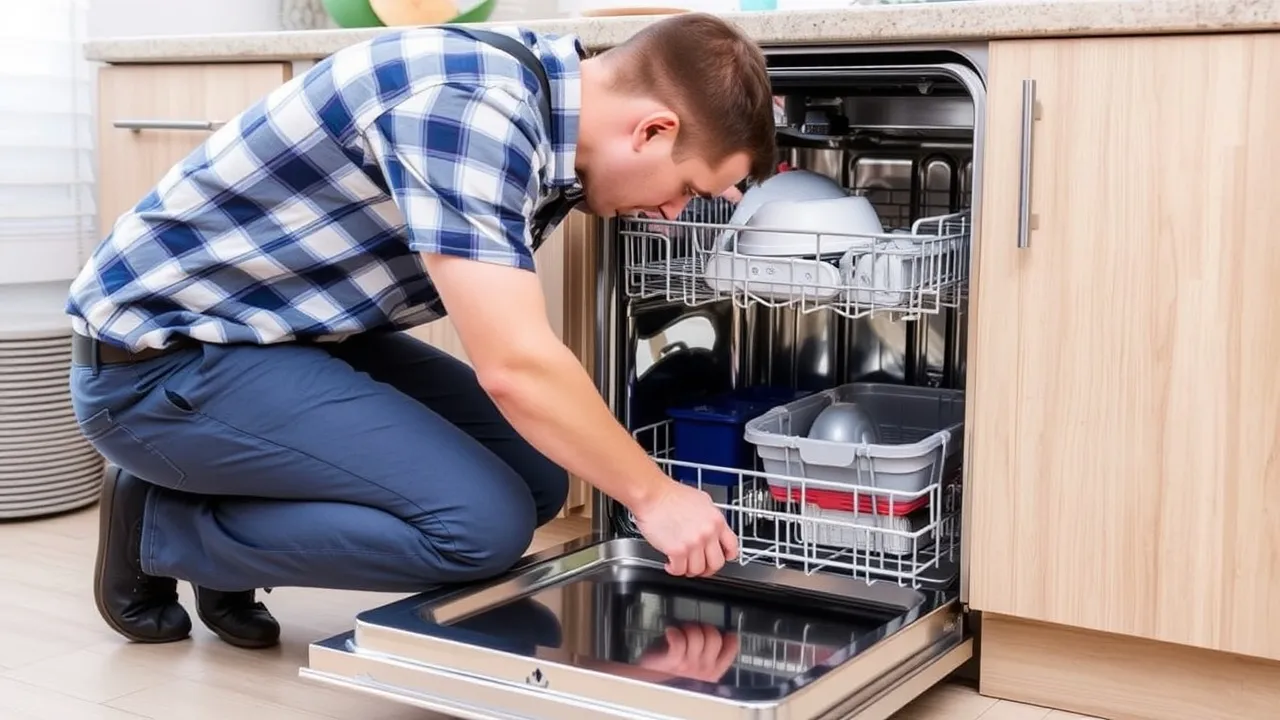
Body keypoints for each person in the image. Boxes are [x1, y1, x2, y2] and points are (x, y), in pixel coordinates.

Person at [66, 13, 777, 650]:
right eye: (688, 188)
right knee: (479, 530)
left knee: (536, 480)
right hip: (159, 367)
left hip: (277, 337)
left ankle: (233, 530)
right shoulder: (473, 111)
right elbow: (517, 365)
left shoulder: (542, 103)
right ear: (652, 130)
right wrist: (654, 495)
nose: (675, 214)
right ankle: (163, 524)